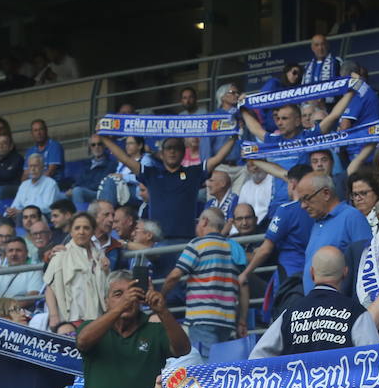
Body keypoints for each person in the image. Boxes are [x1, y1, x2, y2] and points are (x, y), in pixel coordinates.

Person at [99, 134, 236, 243]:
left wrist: (234, 137)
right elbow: (125, 159)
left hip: (186, 241)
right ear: (161, 154)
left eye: (176, 148)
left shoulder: (193, 173)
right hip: (158, 242)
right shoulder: (151, 174)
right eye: (168, 148)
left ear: (183, 153)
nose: (172, 151)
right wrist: (104, 138)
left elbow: (218, 158)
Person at [249, 246, 379, 357]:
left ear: (312, 273)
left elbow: (258, 355)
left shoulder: (290, 313)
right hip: (344, 387)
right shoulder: (356, 312)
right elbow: (373, 357)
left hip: (299, 386)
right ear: (345, 273)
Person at [162, 208, 245, 356]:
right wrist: (242, 320)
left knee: (207, 367)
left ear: (205, 221)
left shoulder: (197, 245)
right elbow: (243, 284)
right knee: (222, 366)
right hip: (227, 320)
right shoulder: (233, 247)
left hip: (202, 319)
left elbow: (175, 276)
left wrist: (161, 295)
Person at [43, 212, 110, 334]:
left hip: (98, 320)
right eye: (77, 228)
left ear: (93, 231)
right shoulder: (60, 255)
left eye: (86, 228)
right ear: (71, 231)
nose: (81, 232)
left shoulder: (101, 257)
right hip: (71, 320)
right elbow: (50, 289)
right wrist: (54, 317)